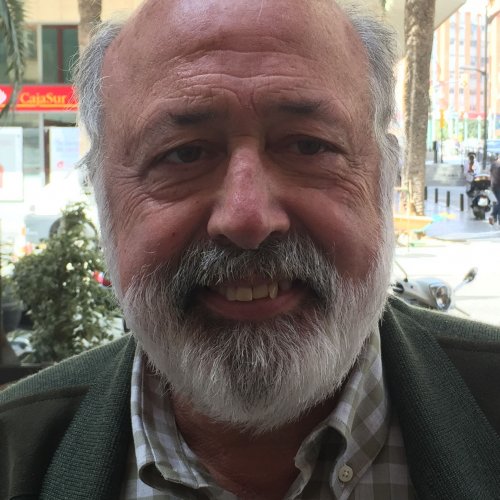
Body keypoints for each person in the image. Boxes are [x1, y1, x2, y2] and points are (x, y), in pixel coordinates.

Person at [2, 1, 500, 498]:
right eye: (183, 154)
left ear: (385, 176)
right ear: (102, 194)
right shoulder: (14, 452)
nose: (247, 218)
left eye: (308, 146)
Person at [489, 155, 500, 226]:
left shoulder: (493, 165)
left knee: (497, 202)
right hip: (499, 186)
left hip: (493, 186)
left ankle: (495, 217)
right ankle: (493, 215)